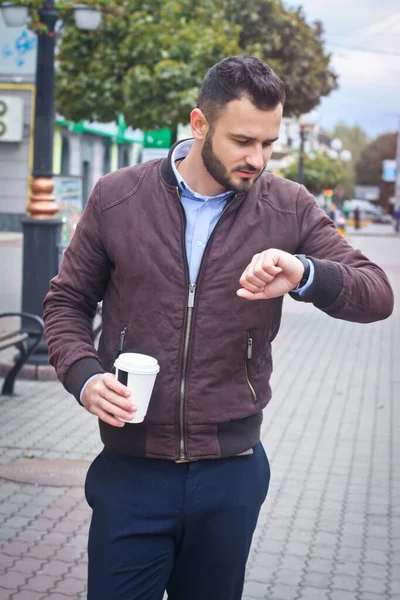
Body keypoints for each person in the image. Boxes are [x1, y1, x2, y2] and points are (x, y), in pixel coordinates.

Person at [43, 56, 394, 600]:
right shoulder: (118, 197)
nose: (257, 158)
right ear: (199, 124)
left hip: (231, 474)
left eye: (269, 143)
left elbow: (376, 294)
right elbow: (66, 302)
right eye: (242, 141)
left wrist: (304, 273)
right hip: (131, 471)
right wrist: (85, 377)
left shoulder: (288, 207)